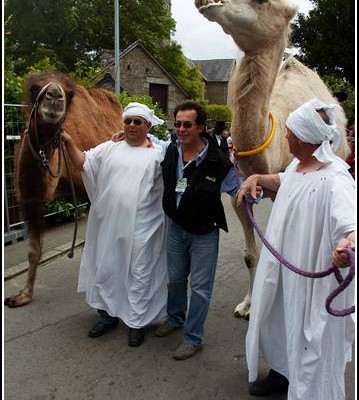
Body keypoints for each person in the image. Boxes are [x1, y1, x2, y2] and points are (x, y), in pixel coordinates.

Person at [236, 98, 355, 399]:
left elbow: (350, 224)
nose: (284, 136)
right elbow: (286, 181)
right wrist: (257, 177)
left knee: (309, 336)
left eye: (288, 131)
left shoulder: (335, 178)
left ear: (302, 136)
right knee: (281, 321)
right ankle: (282, 372)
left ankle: (311, 390)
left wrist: (347, 246)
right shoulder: (298, 165)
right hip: (284, 272)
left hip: (312, 279)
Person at [61, 102, 169, 347]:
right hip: (109, 225)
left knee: (140, 273)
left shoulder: (158, 154)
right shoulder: (109, 147)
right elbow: (83, 163)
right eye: (128, 121)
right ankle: (106, 316)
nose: (131, 125)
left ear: (148, 126)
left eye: (138, 122)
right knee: (107, 268)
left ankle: (136, 322)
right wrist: (68, 141)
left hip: (145, 227)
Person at [148, 101, 240, 360]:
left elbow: (238, 190)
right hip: (177, 229)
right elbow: (147, 141)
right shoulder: (171, 150)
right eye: (177, 124)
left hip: (204, 233)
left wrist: (257, 185)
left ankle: (192, 338)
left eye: (187, 125)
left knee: (200, 287)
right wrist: (123, 137)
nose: (181, 129)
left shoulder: (219, 163)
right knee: (175, 279)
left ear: (201, 127)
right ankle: (175, 318)